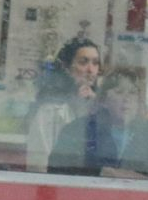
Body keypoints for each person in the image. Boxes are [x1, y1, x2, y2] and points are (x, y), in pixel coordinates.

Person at [48, 67, 148, 179]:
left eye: (132, 93)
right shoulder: (78, 130)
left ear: (139, 101)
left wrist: (138, 178)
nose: (126, 99)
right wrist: (98, 174)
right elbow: (57, 172)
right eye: (119, 92)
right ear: (104, 99)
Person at [24, 36, 100, 172]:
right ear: (67, 68)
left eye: (95, 63)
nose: (91, 70)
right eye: (83, 62)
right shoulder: (49, 112)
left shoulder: (102, 110)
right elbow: (38, 166)